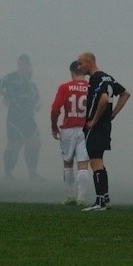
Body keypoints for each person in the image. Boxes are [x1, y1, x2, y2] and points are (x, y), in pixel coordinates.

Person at [76, 52, 130, 211]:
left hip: (96, 126)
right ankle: (105, 199)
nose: (79, 68)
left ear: (90, 63)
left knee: (95, 161)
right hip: (106, 125)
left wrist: (94, 120)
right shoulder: (108, 77)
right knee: (98, 160)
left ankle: (100, 202)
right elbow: (125, 93)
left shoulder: (96, 79)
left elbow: (104, 99)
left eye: (81, 64)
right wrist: (113, 114)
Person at [0, 54, 42, 180]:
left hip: (28, 116)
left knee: (35, 143)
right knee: (13, 144)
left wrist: (37, 105)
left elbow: (36, 98)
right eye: (19, 64)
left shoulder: (30, 83)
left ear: (29, 66)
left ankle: (32, 172)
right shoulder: (12, 77)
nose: (20, 67)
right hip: (15, 115)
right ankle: (8, 173)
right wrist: (6, 96)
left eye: (23, 64)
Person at [50, 60, 90, 205]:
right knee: (83, 164)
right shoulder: (90, 87)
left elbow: (55, 109)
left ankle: (70, 196)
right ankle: (82, 198)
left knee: (68, 163)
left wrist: (54, 127)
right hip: (85, 129)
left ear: (71, 72)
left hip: (68, 129)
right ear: (84, 73)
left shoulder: (65, 87)